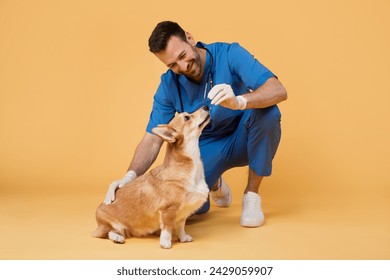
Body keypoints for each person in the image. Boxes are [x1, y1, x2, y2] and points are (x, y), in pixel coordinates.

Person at [104, 21, 287, 227]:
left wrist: (240, 101)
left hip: (244, 136)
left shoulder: (230, 54)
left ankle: (252, 195)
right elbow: (152, 139)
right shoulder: (168, 84)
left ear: (190, 39)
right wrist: (129, 178)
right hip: (204, 150)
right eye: (172, 65)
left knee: (268, 112)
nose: (182, 67)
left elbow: (278, 90)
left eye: (182, 56)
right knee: (185, 212)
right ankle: (214, 182)